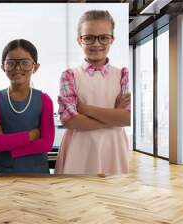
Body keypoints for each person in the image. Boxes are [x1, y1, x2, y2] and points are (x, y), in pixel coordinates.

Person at [55, 10, 131, 176]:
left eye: (103, 37)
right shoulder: (70, 75)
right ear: (79, 40)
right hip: (79, 148)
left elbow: (127, 118)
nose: (96, 43)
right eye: (89, 37)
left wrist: (85, 109)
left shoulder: (123, 75)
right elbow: (70, 121)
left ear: (112, 39)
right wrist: (114, 117)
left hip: (114, 147)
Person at [0, 39, 55, 174]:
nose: (18, 68)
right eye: (11, 63)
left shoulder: (44, 100)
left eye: (25, 63)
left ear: (36, 67)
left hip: (37, 174)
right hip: (5, 173)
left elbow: (46, 143)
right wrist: (31, 135)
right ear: (3, 67)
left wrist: (9, 145)